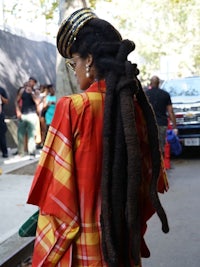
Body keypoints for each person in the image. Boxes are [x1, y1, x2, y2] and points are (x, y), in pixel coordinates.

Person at [27, 8, 169, 267]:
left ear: (89, 60)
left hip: (83, 252)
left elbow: (56, 200)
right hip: (123, 246)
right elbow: (147, 183)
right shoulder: (136, 109)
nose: (74, 70)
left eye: (73, 62)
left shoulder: (72, 108)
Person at [145, 75, 177, 155]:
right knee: (161, 146)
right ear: (159, 83)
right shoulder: (165, 95)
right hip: (162, 124)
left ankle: (152, 165)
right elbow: (170, 112)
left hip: (149, 124)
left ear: (150, 83)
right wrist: (174, 126)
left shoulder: (145, 95)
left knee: (150, 145)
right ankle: (161, 164)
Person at [15, 81, 40, 159]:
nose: (28, 86)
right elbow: (16, 101)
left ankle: (31, 153)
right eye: (26, 85)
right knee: (20, 135)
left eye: (29, 85)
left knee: (31, 135)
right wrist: (18, 111)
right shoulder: (22, 92)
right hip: (23, 115)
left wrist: (31, 93)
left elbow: (37, 102)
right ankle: (20, 153)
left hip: (32, 115)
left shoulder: (35, 92)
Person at [0, 86, 9, 158]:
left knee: (1, 134)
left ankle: (4, 152)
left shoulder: (2, 90)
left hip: (0, 116)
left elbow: (6, 101)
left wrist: (1, 97)